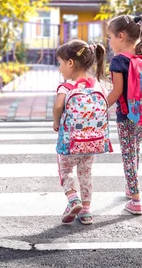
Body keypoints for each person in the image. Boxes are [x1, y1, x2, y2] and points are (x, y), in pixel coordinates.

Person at [53, 39, 108, 225]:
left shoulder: (66, 87)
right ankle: (86, 211)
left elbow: (58, 106)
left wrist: (56, 122)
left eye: (60, 63)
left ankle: (72, 199)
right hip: (93, 141)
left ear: (70, 63)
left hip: (70, 142)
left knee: (65, 170)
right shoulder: (98, 86)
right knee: (86, 173)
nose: (59, 68)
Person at [106, 14, 142, 215]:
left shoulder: (118, 61)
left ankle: (136, 200)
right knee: (135, 149)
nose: (108, 42)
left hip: (126, 115)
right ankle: (130, 187)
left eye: (109, 37)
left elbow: (117, 92)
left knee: (128, 154)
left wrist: (99, 108)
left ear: (120, 36)